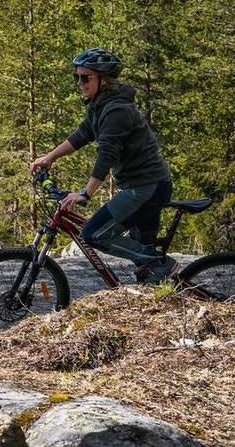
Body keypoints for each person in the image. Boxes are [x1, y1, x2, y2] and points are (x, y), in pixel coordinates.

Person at [30, 48, 177, 284]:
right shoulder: (100, 105)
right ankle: (158, 285)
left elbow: (107, 154)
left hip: (146, 188)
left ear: (104, 80)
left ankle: (159, 263)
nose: (79, 82)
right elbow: (82, 134)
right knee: (145, 269)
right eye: (77, 76)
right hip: (144, 186)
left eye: (85, 77)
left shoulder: (117, 110)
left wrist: (85, 193)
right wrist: (50, 157)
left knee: (94, 234)